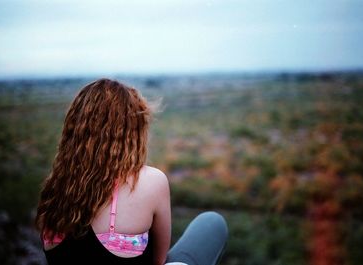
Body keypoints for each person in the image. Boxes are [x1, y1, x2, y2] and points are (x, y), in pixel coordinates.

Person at [35, 78, 228, 265]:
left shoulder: (54, 190)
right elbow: (159, 260)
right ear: (131, 132)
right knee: (211, 222)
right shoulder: (151, 181)